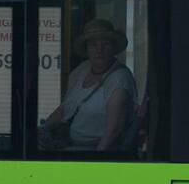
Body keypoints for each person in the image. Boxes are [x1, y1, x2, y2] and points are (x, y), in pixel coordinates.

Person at [38, 18, 137, 152]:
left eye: (105, 44)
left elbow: (114, 130)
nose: (99, 50)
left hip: (93, 154)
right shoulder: (81, 70)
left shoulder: (120, 78)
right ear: (86, 49)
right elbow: (64, 108)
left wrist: (94, 161)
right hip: (68, 146)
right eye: (93, 44)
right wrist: (42, 131)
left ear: (113, 47)